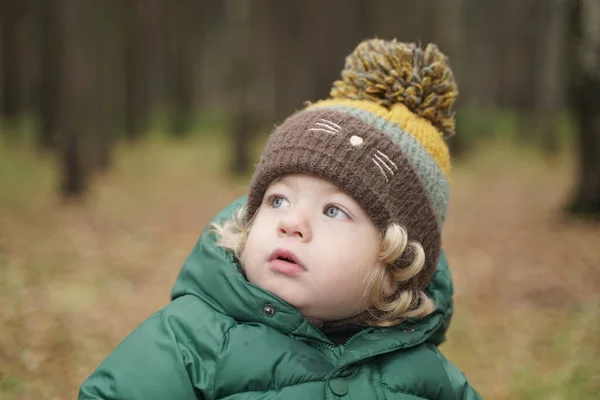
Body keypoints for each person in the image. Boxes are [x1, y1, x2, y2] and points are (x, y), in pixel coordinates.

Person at [79, 38, 481, 399]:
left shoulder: (429, 379)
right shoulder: (189, 343)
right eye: (277, 201)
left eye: (333, 210)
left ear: (397, 265)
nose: (292, 223)